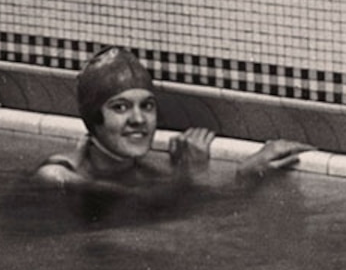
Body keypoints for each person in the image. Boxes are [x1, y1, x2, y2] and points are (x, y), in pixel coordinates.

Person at [34, 46, 306, 195]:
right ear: (94, 117)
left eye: (147, 106)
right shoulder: (57, 175)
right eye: (120, 107)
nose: (138, 119)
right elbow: (137, 207)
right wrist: (231, 175)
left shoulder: (144, 172)